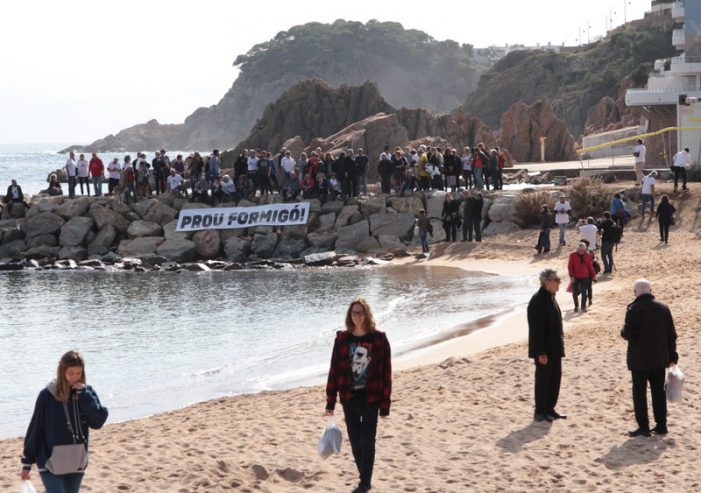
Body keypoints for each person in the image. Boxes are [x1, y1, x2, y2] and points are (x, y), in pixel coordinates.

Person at [325, 298, 392, 493]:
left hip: (371, 398)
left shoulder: (378, 338)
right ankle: (364, 476)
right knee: (355, 442)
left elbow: (387, 371)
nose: (357, 316)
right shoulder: (342, 339)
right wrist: (330, 401)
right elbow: (334, 370)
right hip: (349, 397)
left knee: (367, 442)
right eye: (354, 312)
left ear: (367, 314)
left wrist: (385, 404)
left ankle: (364, 483)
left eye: (361, 312)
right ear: (349, 315)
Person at [20, 350, 108, 493]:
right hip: (50, 462)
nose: (75, 378)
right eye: (71, 373)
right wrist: (27, 462)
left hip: (76, 460)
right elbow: (36, 428)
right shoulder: (46, 396)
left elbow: (97, 422)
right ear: (62, 372)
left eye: (79, 373)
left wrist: (85, 396)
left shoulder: (87, 393)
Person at [621, 279, 678, 437]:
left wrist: (622, 330)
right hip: (659, 359)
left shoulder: (633, 309)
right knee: (658, 392)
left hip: (639, 360)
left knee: (639, 394)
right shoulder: (663, 308)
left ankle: (644, 427)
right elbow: (671, 335)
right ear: (650, 290)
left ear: (635, 292)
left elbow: (628, 334)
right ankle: (661, 425)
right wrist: (673, 356)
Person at [527, 268, 566, 422]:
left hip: (555, 347)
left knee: (555, 379)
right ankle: (540, 411)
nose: (559, 282)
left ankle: (550, 408)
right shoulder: (537, 300)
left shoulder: (551, 297)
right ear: (547, 282)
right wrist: (540, 352)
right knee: (543, 380)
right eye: (556, 280)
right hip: (544, 350)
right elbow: (536, 330)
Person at [568, 242, 596, 312]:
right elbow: (570, 266)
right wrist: (571, 276)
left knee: (584, 293)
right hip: (575, 277)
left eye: (583, 250)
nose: (581, 252)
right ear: (577, 249)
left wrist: (594, 275)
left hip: (585, 277)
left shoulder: (588, 256)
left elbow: (590, 267)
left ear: (585, 250)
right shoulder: (572, 255)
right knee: (574, 293)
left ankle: (583, 307)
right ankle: (576, 306)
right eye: (580, 250)